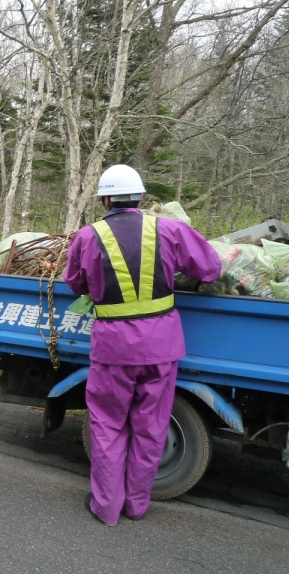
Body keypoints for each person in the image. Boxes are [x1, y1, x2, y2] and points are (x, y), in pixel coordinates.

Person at [63, 164, 221, 526]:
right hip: (160, 347)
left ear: (105, 199)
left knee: (107, 425)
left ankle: (106, 508)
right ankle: (136, 506)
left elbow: (75, 283)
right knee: (151, 426)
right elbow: (210, 268)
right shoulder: (167, 228)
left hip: (113, 349)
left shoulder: (88, 237)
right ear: (139, 196)